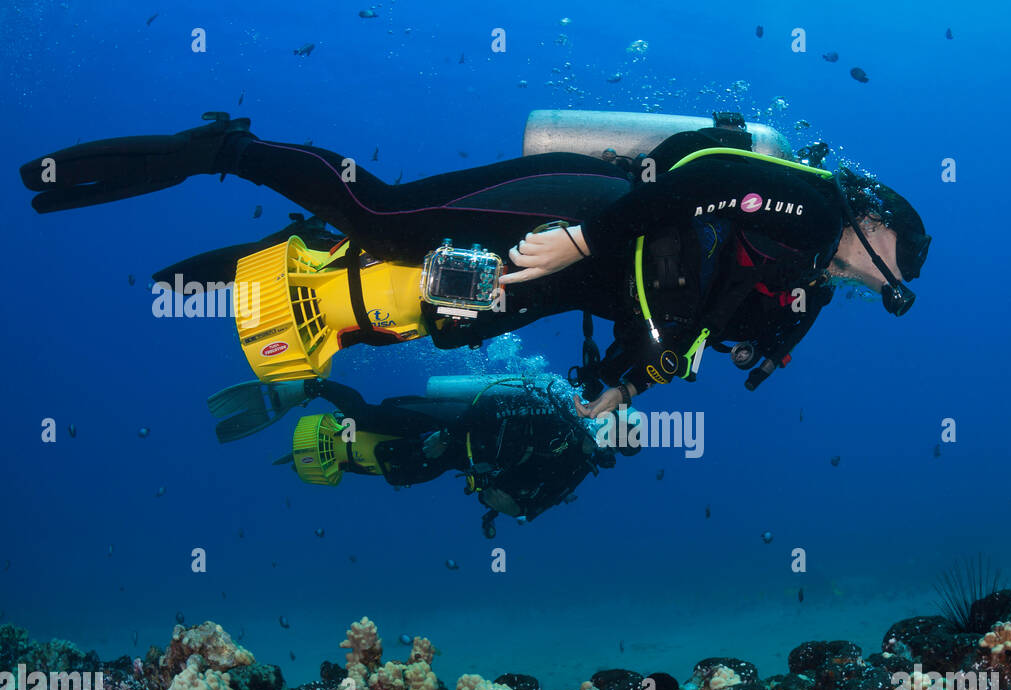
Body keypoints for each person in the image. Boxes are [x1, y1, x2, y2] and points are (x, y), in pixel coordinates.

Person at [20, 110, 930, 416]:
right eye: (896, 258)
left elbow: (685, 334)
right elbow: (701, 172)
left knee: (442, 322)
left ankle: (294, 263)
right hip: (584, 208)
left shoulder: (805, 293)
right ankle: (223, 147)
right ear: (877, 223)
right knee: (382, 213)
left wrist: (620, 383)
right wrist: (585, 236)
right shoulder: (815, 200)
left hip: (590, 273)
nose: (885, 278)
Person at [208, 372, 638, 536]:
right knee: (366, 416)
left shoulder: (577, 464)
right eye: (609, 433)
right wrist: (455, 436)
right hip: (453, 420)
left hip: (454, 454)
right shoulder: (561, 411)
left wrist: (491, 493)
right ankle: (310, 388)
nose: (604, 443)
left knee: (396, 467)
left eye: (612, 445)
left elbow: (528, 507)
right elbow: (492, 410)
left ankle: (328, 444)